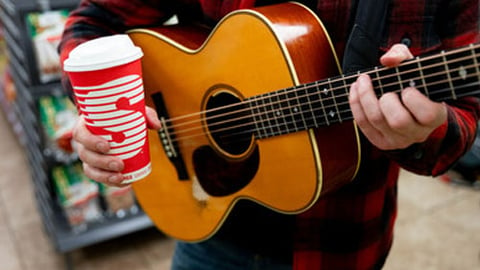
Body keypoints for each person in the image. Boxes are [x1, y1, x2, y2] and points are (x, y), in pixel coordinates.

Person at [59, 0, 480, 269]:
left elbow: (466, 114)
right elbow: (95, 20)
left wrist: (425, 130)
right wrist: (103, 113)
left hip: (342, 243)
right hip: (208, 227)